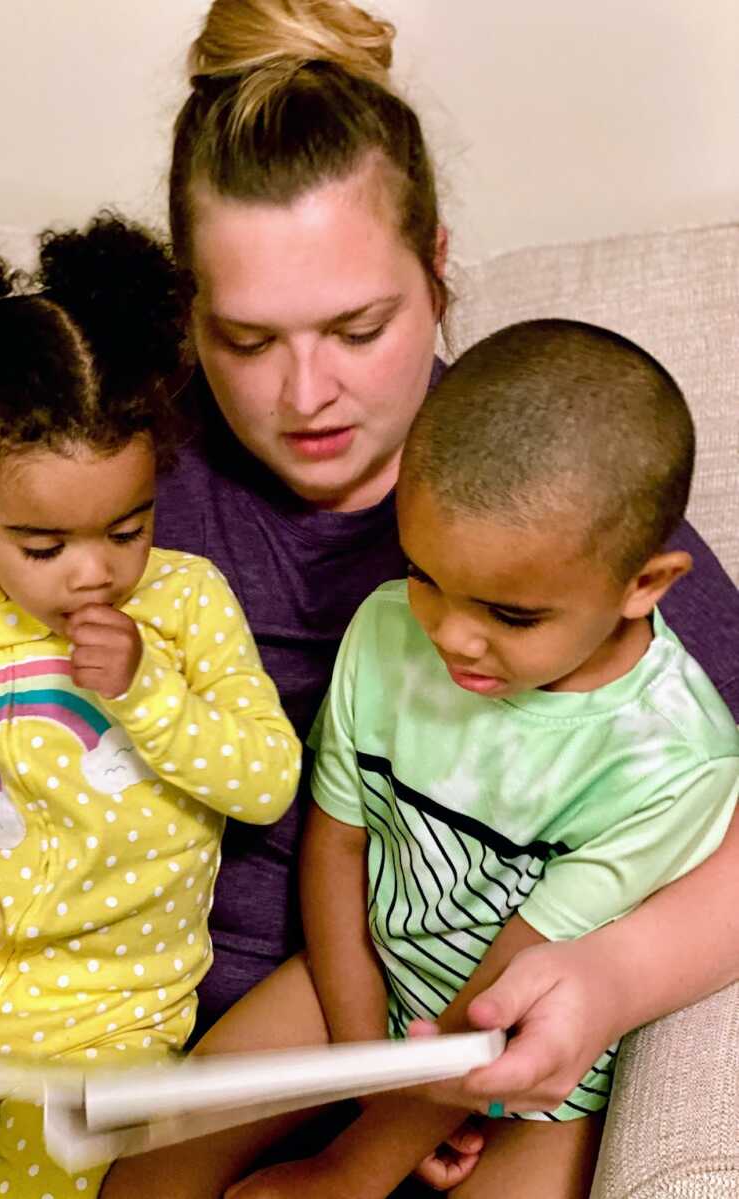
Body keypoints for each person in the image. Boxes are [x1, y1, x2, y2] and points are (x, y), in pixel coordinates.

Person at [0, 0, 738, 1193]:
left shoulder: (557, 504)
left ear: (437, 268)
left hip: (429, 1010)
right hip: (65, 1018)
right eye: (248, 338)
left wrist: (611, 980)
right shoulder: (114, 467)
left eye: (358, 327)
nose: (307, 393)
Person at [216, 320, 739, 1199]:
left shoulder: (672, 760)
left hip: (536, 1062)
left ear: (643, 584)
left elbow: (514, 982)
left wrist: (353, 1164)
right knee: (154, 1161)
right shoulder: (389, 627)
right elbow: (338, 845)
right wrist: (363, 1057)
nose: (450, 634)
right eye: (425, 573)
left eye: (511, 614)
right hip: (367, 972)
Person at [0, 214, 300, 1199]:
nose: (93, 572)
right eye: (43, 545)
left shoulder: (184, 606)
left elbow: (267, 782)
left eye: (125, 528)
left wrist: (148, 695)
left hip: (115, 1018)